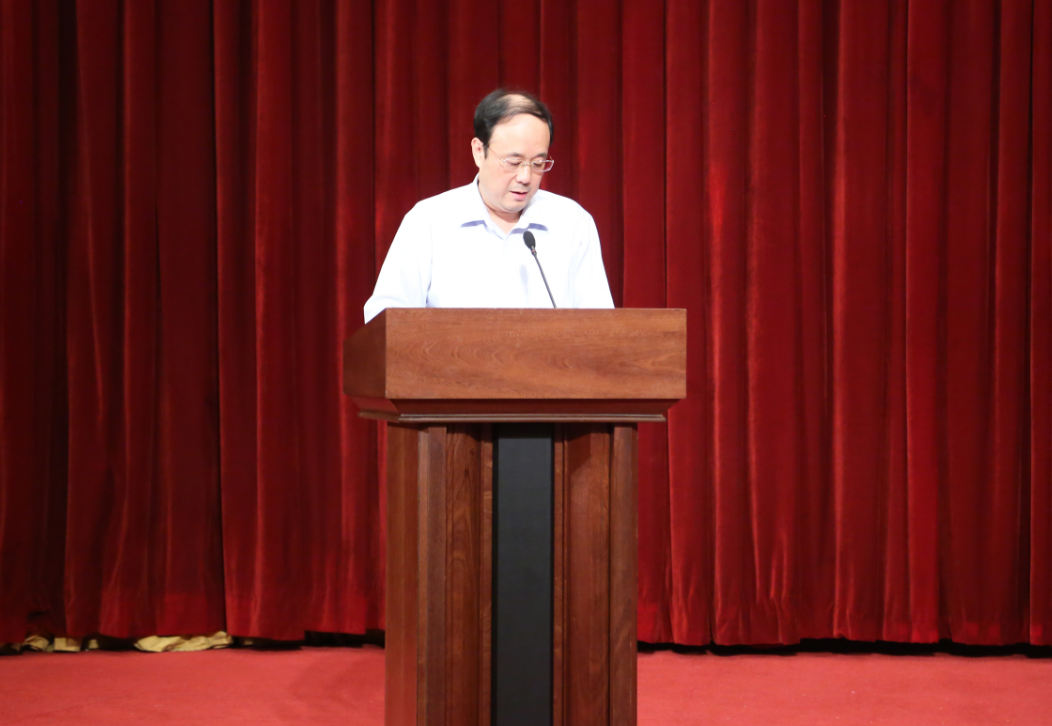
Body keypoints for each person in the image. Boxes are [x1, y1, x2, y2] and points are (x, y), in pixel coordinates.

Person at [363, 89, 614, 322]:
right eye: (513, 162)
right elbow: (386, 318)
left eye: (538, 164)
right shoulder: (429, 221)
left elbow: (599, 324)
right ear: (478, 151)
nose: (526, 177)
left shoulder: (572, 222)